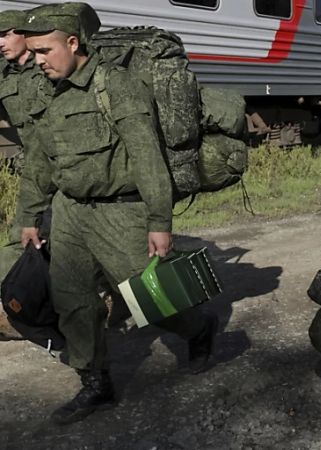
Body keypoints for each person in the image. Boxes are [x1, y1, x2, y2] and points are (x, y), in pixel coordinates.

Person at [15, 3, 218, 425]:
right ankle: (95, 384)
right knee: (73, 303)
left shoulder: (116, 85)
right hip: (69, 213)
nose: (38, 61)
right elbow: (38, 160)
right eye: (32, 52)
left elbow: (148, 158)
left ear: (73, 43)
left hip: (121, 213)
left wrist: (159, 222)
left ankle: (199, 328)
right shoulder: (45, 91)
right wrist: (30, 215)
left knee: (154, 298)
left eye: (45, 51)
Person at [0, 8, 51, 280]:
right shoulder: (4, 73)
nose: (0, 43)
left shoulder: (49, 67)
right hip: (34, 170)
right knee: (22, 234)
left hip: (64, 169)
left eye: (6, 35)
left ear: (24, 35)